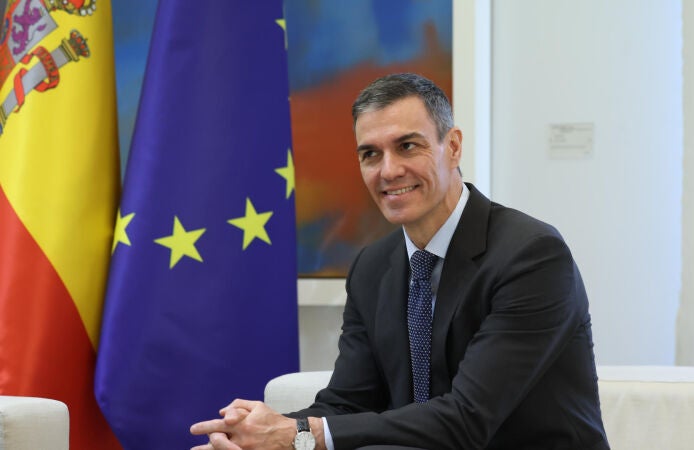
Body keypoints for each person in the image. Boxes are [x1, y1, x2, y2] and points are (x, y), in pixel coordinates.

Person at [190, 73, 609, 450]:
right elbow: (348, 404)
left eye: (407, 146)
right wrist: (257, 435)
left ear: (453, 147)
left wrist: (298, 435)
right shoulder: (371, 267)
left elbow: (467, 420)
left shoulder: (532, 255)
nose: (388, 171)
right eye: (370, 154)